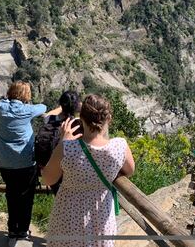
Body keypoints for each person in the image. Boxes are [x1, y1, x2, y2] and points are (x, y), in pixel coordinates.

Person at [42, 94, 136, 247]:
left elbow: (47, 179)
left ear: (81, 119)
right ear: (108, 119)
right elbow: (130, 170)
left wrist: (62, 140)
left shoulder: (67, 148)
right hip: (101, 219)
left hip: (67, 218)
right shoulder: (120, 147)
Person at [0, 81, 59, 246]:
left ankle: (12, 231)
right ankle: (22, 232)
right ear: (26, 95)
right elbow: (43, 107)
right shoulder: (28, 110)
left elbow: (0, 102)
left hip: (5, 162)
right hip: (25, 162)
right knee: (26, 197)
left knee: (12, 195)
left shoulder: (1, 107)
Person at [34, 90, 82, 193]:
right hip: (68, 171)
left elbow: (49, 113)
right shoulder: (77, 123)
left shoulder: (50, 119)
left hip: (50, 169)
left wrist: (63, 106)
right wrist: (77, 106)